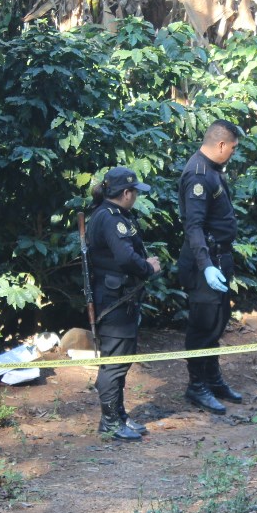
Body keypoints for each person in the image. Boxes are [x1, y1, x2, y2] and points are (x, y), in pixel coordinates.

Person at [86, 166, 162, 440]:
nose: (136, 197)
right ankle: (109, 422)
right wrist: (148, 267)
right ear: (126, 193)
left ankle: (118, 415)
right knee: (115, 363)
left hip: (119, 297)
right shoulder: (110, 218)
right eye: (135, 192)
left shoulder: (112, 214)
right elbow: (125, 257)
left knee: (121, 359)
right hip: (115, 300)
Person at [177, 119, 244, 415]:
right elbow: (193, 226)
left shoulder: (213, 169)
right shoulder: (198, 174)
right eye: (233, 148)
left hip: (219, 259)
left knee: (217, 321)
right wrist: (205, 265)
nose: (233, 153)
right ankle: (197, 385)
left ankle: (212, 379)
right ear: (221, 144)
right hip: (204, 262)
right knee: (202, 325)